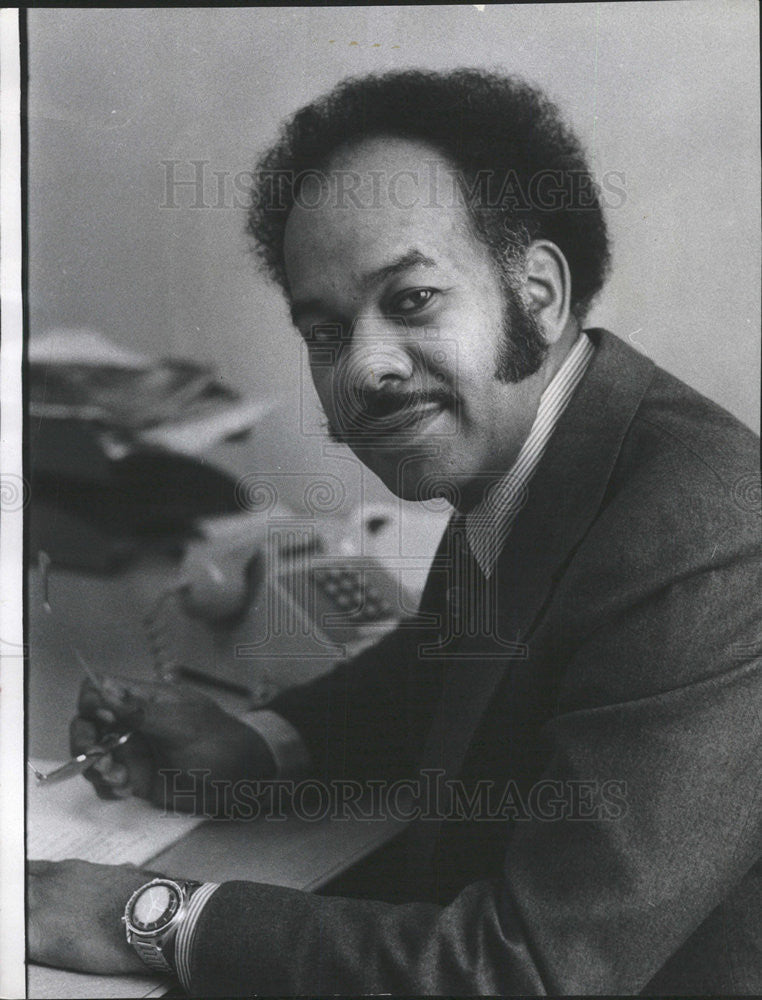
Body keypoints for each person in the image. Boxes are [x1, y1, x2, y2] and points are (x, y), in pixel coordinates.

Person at [28, 69, 762, 995]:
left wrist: (138, 912)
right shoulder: (548, 449)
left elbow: (523, 970)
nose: (364, 366)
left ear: (535, 290)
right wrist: (260, 743)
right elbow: (458, 656)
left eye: (411, 300)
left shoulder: (710, 542)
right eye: (325, 331)